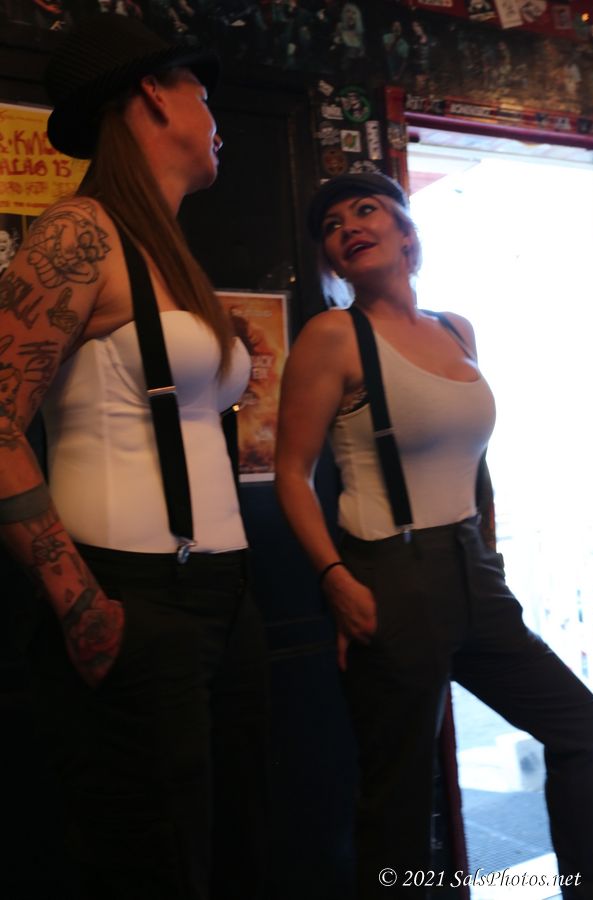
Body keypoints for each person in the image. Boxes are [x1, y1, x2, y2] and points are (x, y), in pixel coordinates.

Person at [0, 13, 267, 900]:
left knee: (233, 852)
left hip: (227, 596)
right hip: (135, 599)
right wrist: (79, 602)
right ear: (154, 93)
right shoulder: (81, 231)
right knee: (153, 870)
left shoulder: (168, 250)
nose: (215, 116)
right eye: (202, 91)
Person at [274, 172, 593, 898]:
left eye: (366, 210)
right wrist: (335, 578)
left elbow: (473, 461)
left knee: (583, 731)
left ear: (407, 234)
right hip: (391, 576)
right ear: (331, 256)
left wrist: (488, 550)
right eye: (332, 225)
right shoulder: (334, 336)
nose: (348, 227)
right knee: (398, 795)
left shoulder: (457, 329)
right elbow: (290, 472)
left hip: (472, 569)